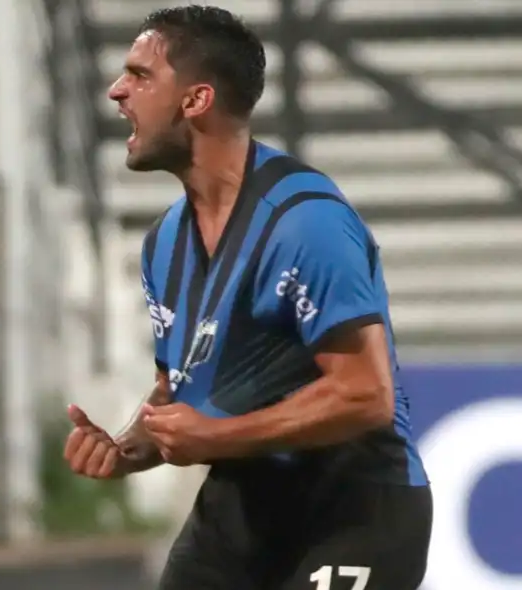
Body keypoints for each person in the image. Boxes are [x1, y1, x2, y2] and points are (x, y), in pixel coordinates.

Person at [62, 6, 431, 590]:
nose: (117, 90)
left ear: (196, 100)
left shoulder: (305, 224)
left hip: (351, 505)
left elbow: (366, 395)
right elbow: (181, 384)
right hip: (242, 509)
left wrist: (213, 438)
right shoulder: (164, 243)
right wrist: (132, 445)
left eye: (140, 75)